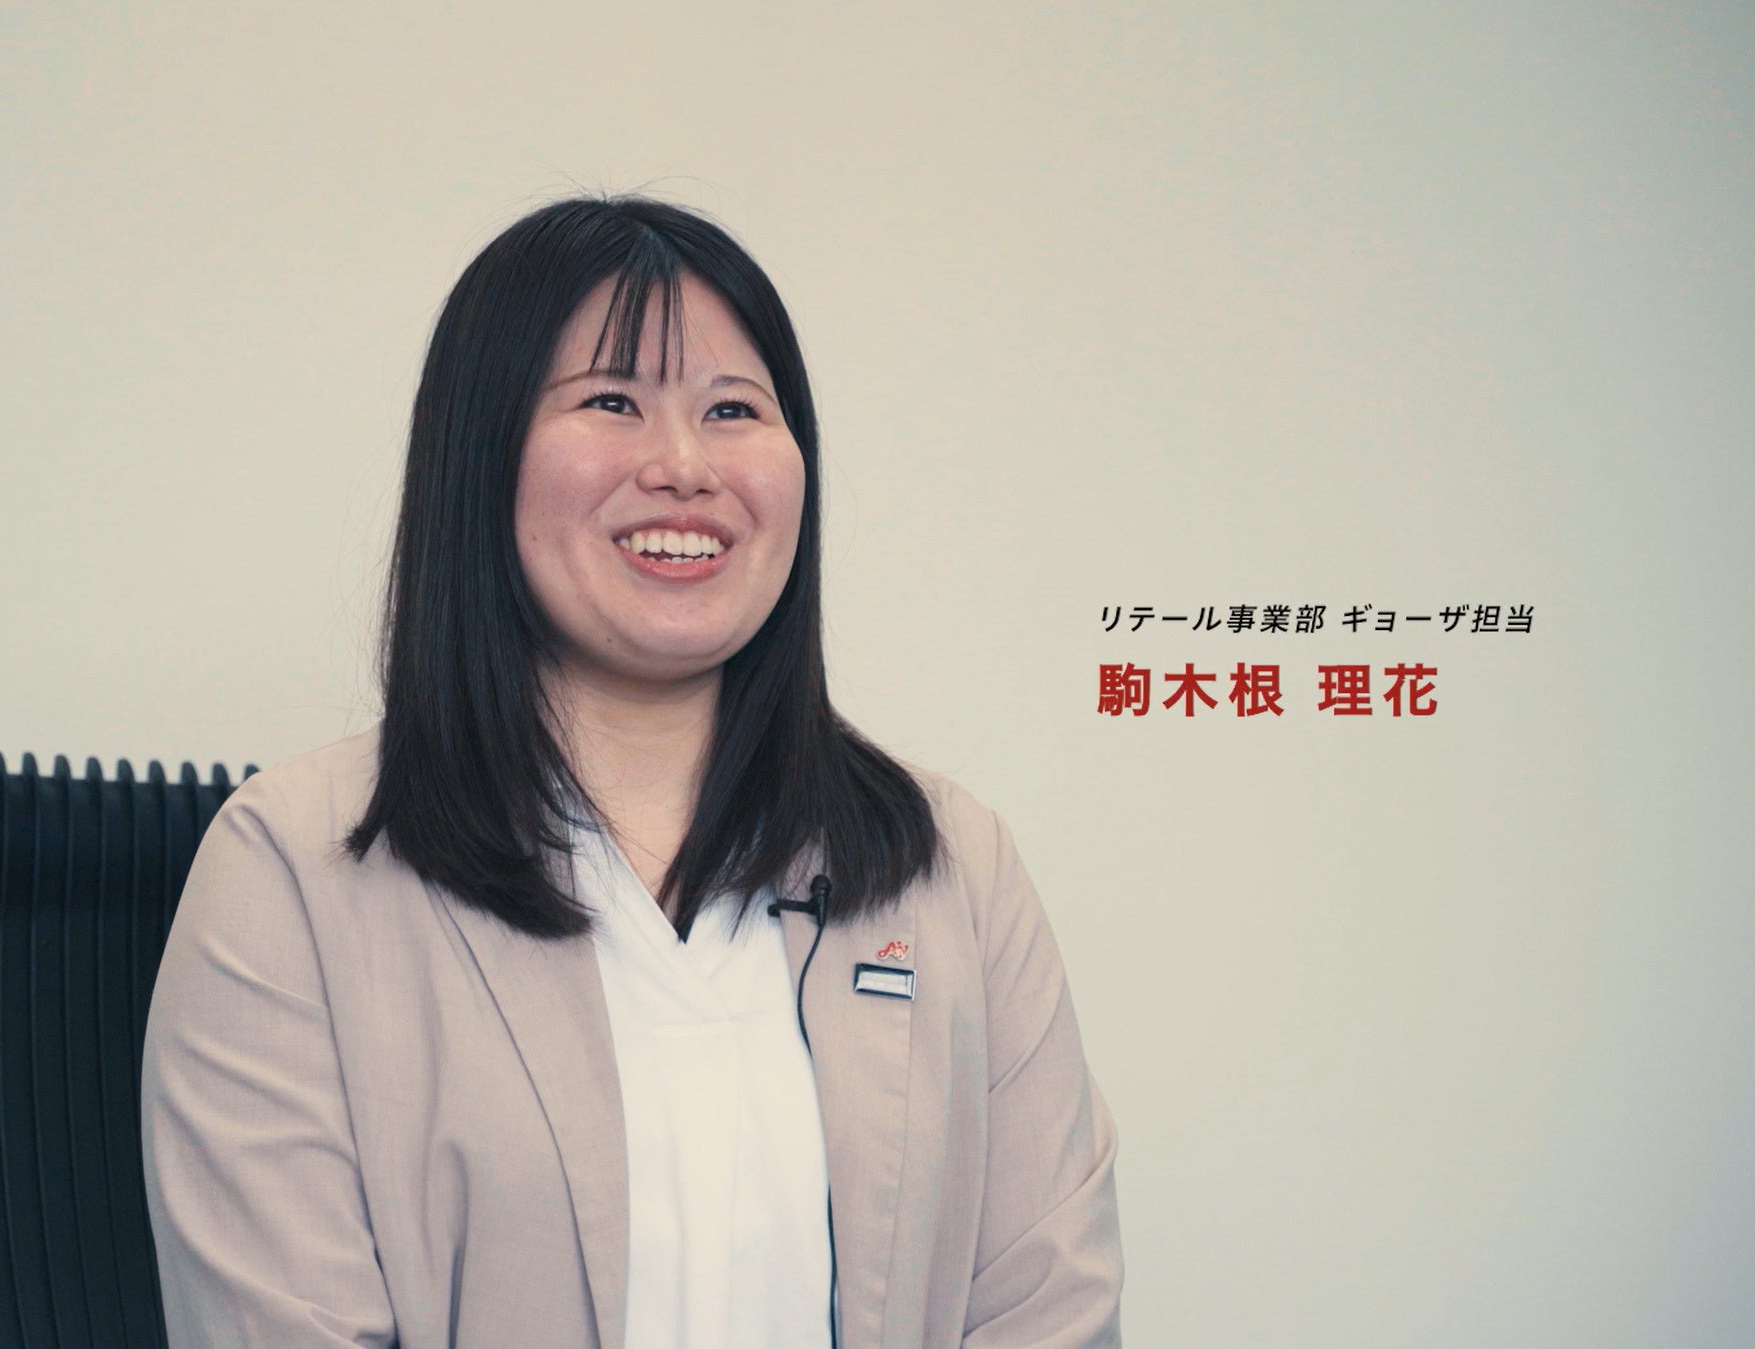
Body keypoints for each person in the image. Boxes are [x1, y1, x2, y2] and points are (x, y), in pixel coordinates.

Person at [140, 194, 1123, 1348]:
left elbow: (1049, 1308)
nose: (683, 465)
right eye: (611, 401)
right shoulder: (291, 866)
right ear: (480, 454)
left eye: (732, 408)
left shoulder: (951, 869)